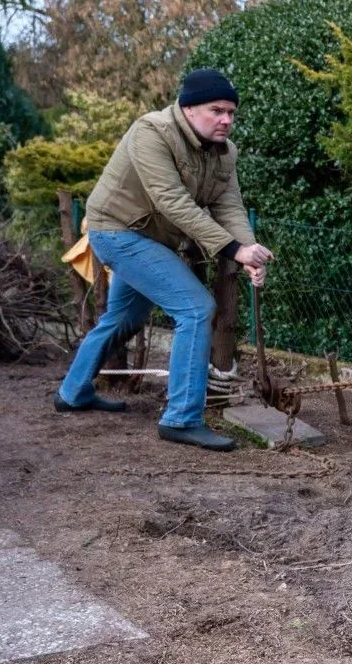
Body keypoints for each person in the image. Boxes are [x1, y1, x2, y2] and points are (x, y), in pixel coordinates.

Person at [54, 68, 273, 451]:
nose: (226, 120)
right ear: (188, 108)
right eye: (217, 110)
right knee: (195, 308)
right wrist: (232, 249)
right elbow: (171, 201)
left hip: (152, 241)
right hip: (117, 231)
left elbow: (231, 207)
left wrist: (248, 252)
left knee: (125, 318)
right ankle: (181, 419)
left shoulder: (225, 152)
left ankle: (72, 393)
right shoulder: (151, 131)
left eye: (232, 113)